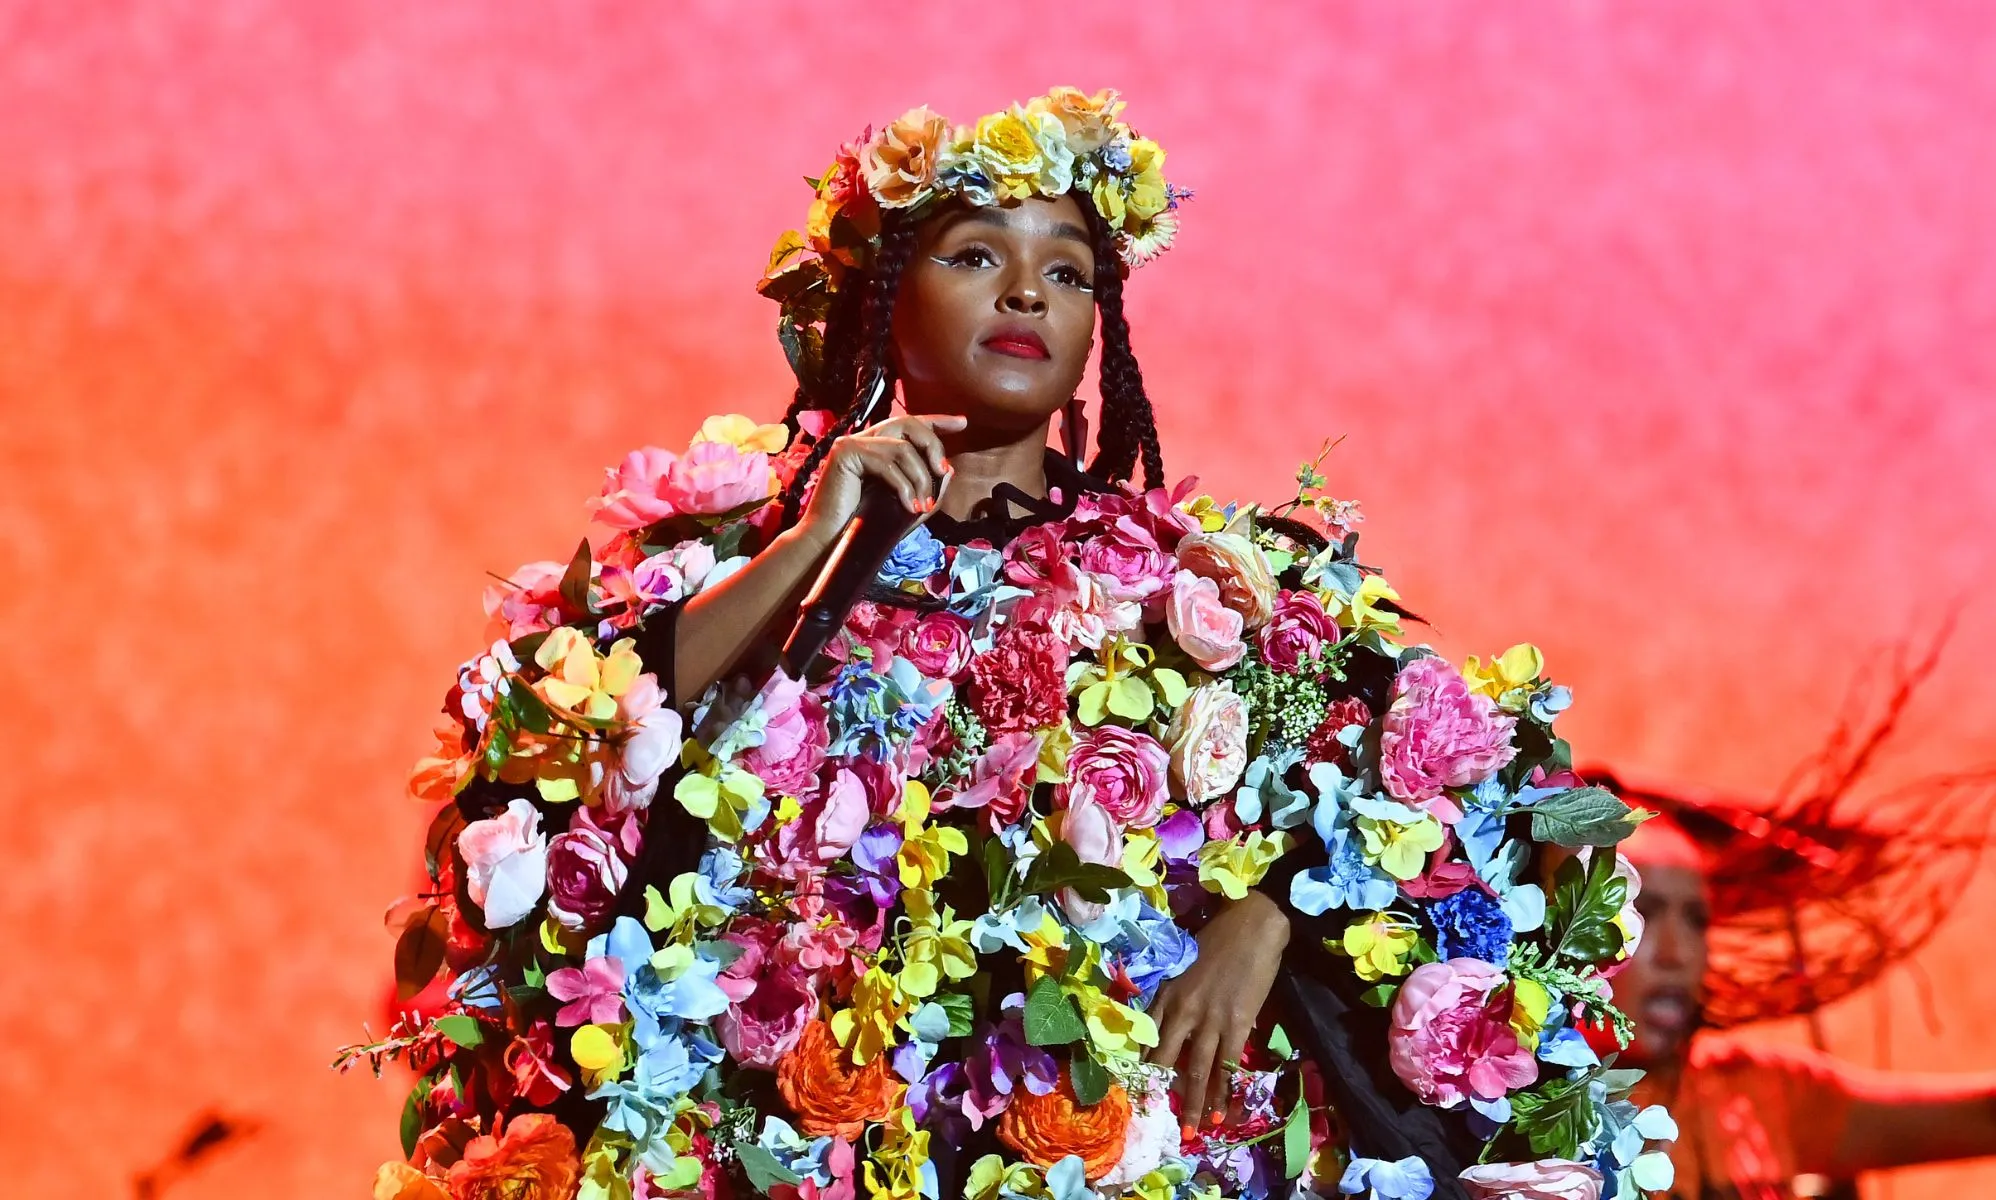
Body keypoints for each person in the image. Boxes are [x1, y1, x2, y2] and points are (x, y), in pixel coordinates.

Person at [364, 89, 1669, 1200]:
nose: (1029, 290)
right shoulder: (754, 551)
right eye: (977, 253)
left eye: (1069, 269)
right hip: (814, 1137)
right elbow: (570, 750)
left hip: (1119, 1152)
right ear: (885, 298)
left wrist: (1274, 919)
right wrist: (814, 538)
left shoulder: (1205, 579)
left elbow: (1453, 808)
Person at [1616, 813, 1996, 1199]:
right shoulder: (1552, 1116)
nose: (1677, 953)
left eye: (1696, 921)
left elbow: (1985, 1120)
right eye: (1643, 912)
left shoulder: (1753, 1093)